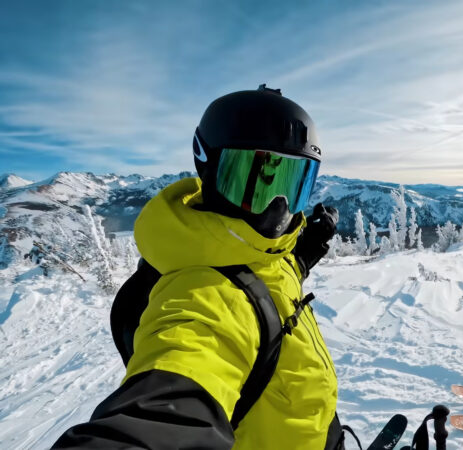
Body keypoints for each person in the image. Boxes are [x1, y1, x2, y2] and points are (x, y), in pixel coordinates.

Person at [53, 85, 342, 449]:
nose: (276, 209)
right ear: (208, 170)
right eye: (249, 182)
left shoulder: (259, 254)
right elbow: (167, 403)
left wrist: (305, 253)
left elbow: (267, 283)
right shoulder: (201, 296)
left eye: (292, 184)